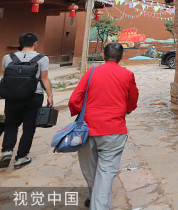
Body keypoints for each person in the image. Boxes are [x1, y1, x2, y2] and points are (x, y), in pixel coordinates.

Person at [69, 42, 138, 209]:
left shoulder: (91, 72)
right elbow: (132, 100)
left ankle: (95, 197)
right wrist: (126, 110)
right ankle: (98, 203)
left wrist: (79, 112)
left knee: (90, 170)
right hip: (114, 130)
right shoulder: (127, 75)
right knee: (106, 172)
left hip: (86, 129)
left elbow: (74, 100)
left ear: (103, 56)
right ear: (121, 57)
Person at [1, 32, 54, 169]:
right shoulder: (42, 58)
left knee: (11, 124)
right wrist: (50, 95)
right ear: (36, 43)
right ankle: (21, 158)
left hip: (12, 96)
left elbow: (5, 75)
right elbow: (44, 78)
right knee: (29, 127)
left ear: (20, 44)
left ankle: (6, 151)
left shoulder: (8, 57)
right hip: (34, 96)